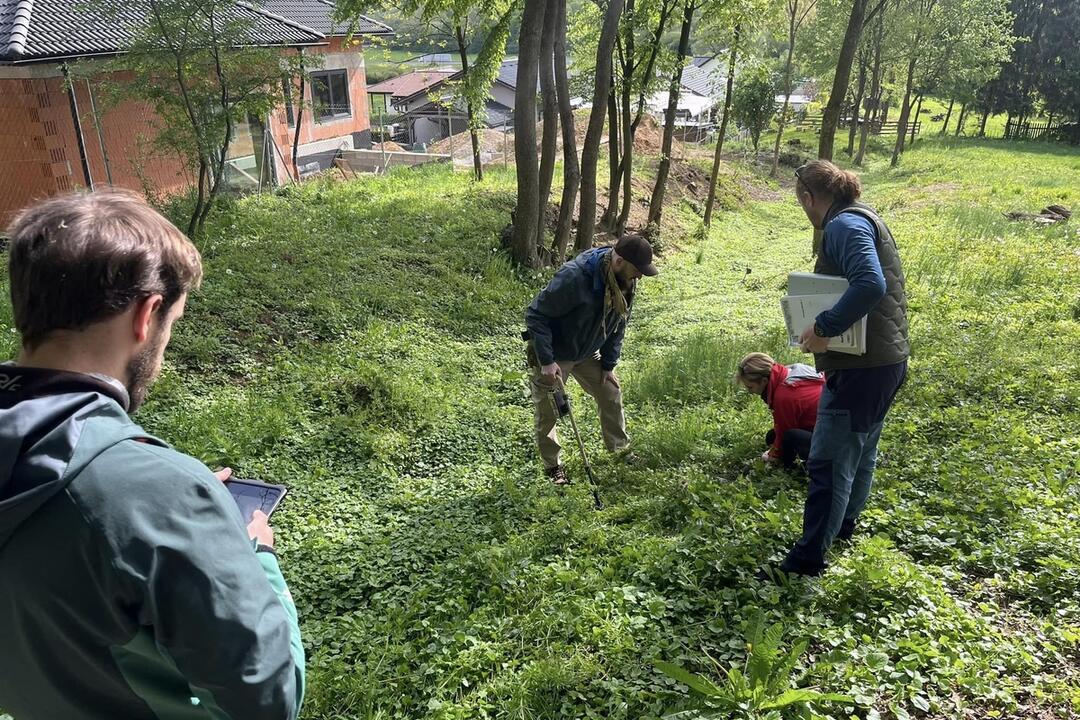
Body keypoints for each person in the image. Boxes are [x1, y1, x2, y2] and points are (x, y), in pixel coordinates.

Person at [0, 191, 305, 719]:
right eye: (172, 324)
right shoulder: (159, 493)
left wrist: (155, 506)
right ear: (146, 316)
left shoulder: (144, 492)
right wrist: (251, 554)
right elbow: (267, 699)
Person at [777, 159, 910, 578]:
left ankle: (806, 563)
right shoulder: (865, 216)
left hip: (862, 368)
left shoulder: (842, 226)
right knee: (861, 449)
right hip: (886, 361)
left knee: (829, 463)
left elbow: (870, 283)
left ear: (809, 197)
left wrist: (823, 327)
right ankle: (845, 526)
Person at [524, 234, 658, 485]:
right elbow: (535, 315)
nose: (639, 276)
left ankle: (619, 451)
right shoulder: (575, 277)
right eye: (637, 270)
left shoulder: (625, 281)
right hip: (555, 352)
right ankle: (553, 466)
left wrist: (608, 364)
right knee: (550, 409)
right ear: (619, 261)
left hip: (586, 351)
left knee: (610, 392)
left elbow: (620, 323)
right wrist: (546, 360)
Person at [735, 352, 824, 470]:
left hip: (830, 439)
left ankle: (789, 469)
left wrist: (773, 456)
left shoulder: (784, 396)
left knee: (789, 436)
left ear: (764, 381)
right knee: (772, 436)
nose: (750, 392)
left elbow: (785, 430)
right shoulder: (790, 372)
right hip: (824, 426)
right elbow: (781, 426)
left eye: (750, 387)